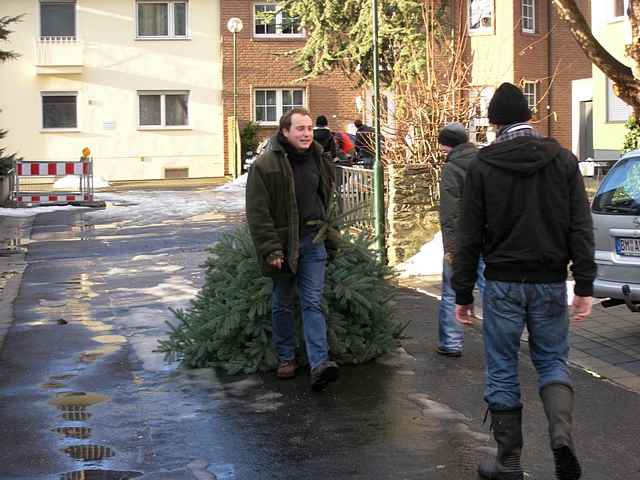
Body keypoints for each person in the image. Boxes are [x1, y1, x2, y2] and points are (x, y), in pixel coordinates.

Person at [452, 82, 596, 480]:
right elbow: (580, 226)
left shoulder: (482, 166)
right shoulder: (563, 161)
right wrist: (583, 284)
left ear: (495, 122)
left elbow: (469, 235)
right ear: (530, 118)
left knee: (502, 366)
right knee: (552, 360)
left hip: (502, 283)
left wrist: (462, 292)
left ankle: (508, 460)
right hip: (550, 281)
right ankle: (561, 438)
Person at [245, 107, 339, 392]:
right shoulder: (265, 166)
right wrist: (272, 249)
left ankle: (319, 364)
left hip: (313, 241)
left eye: (309, 128)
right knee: (283, 300)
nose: (307, 133)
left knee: (312, 301)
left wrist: (329, 232)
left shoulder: (319, 160)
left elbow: (325, 198)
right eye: (300, 128)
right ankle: (286, 357)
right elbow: (258, 213)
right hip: (284, 245)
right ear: (285, 131)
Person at [436, 122, 485, 357]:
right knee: (490, 291)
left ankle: (451, 342)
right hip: (488, 239)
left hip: (463, 241)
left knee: (451, 291)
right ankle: (501, 341)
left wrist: (451, 249)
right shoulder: (484, 162)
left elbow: (450, 212)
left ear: (448, 145)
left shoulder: (451, 168)